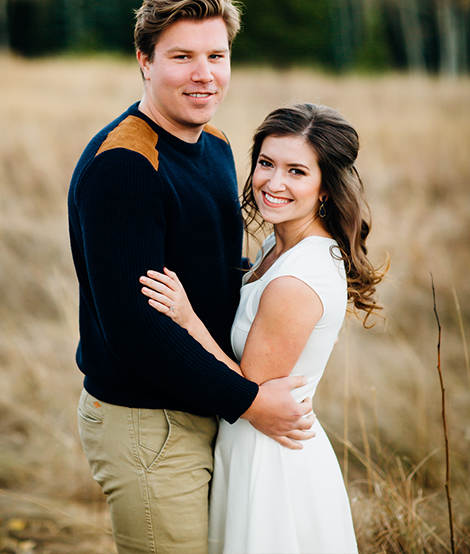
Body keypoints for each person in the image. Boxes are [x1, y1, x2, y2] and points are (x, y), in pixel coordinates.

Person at [68, 0, 315, 554]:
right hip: (148, 423)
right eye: (181, 57)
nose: (203, 73)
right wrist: (251, 402)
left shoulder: (215, 144)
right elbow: (136, 334)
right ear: (144, 62)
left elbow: (215, 268)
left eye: (216, 55)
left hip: (208, 402)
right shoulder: (125, 166)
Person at [141, 103, 385, 553]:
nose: (273, 183)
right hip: (249, 443)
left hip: (270, 460)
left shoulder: (296, 278)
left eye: (296, 171)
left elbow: (249, 388)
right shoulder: (278, 243)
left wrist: (185, 315)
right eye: (266, 163)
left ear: (325, 188)